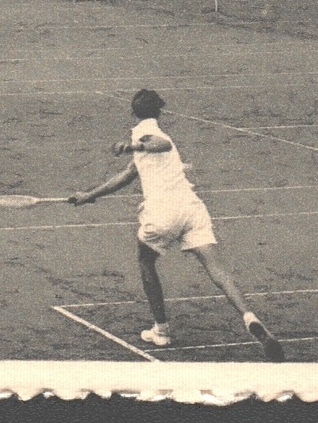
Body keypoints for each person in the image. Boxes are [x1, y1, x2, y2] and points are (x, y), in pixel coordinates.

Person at [69, 89, 284, 359]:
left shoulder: (144, 133)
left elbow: (160, 145)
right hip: (191, 209)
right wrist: (89, 196)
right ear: (159, 111)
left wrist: (134, 146)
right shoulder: (155, 133)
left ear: (133, 112)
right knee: (217, 271)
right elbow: (128, 174)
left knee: (146, 262)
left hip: (163, 213)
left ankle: (161, 330)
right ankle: (249, 316)